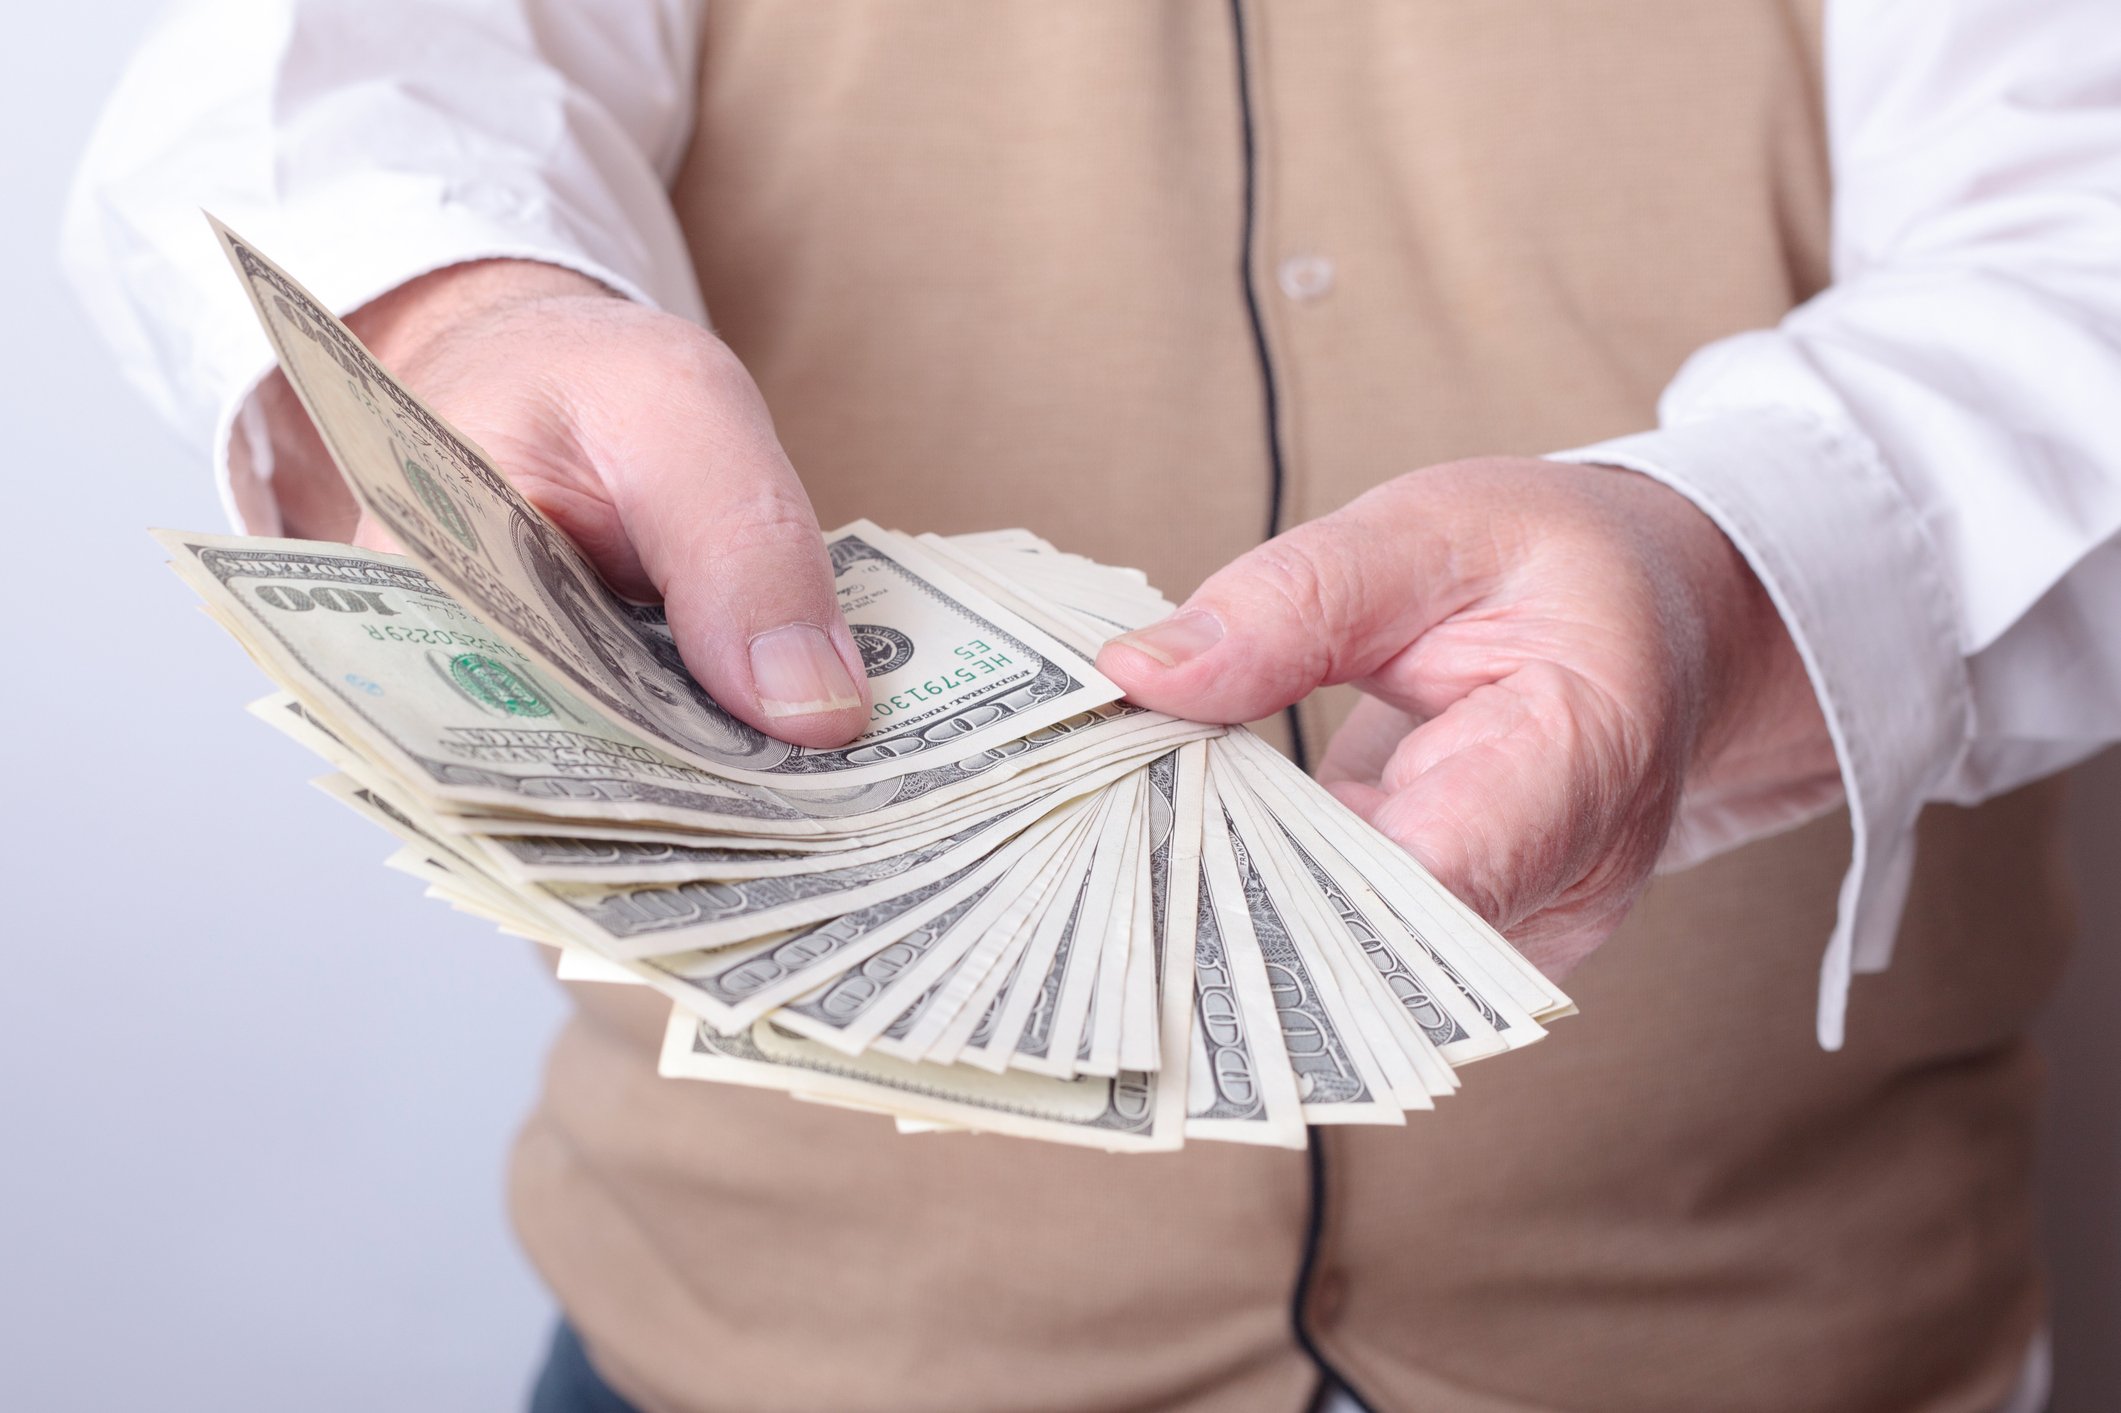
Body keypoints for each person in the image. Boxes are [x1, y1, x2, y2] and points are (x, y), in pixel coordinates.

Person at [65, 2, 2121, 1410]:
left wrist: (1729, 570)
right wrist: (455, 308)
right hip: (762, 1354)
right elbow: (356, 55)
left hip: (1790, 1342)